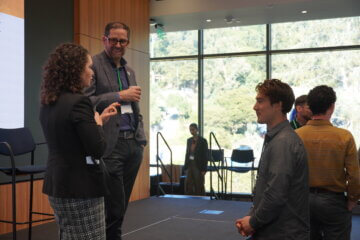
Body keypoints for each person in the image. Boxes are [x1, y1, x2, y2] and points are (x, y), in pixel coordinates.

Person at [39, 43, 119, 239]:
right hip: (81, 188)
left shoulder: (49, 100)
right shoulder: (79, 102)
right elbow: (98, 149)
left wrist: (97, 121)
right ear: (75, 69)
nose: (92, 73)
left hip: (58, 184)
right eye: (89, 66)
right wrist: (98, 124)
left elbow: (70, 138)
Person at [84, 22, 147, 240]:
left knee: (120, 207)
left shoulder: (129, 70)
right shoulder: (93, 65)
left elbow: (134, 107)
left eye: (122, 41)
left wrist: (141, 140)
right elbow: (86, 101)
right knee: (114, 206)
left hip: (133, 145)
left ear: (127, 42)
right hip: (110, 145)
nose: (118, 44)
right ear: (104, 40)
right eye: (113, 40)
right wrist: (119, 95)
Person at [236, 79, 309, 240]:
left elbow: (276, 194)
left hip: (283, 233)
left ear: (278, 105)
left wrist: (253, 222)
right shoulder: (276, 138)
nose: (255, 107)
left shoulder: (283, 142)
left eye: (260, 101)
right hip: (273, 229)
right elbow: (266, 188)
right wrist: (252, 218)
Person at [296, 85, 360, 240]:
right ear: (331, 107)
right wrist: (352, 199)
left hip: (302, 200)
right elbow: (354, 175)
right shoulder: (344, 137)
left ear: (310, 107)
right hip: (333, 201)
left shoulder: (296, 136)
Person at [183, 123, 209, 195]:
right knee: (189, 182)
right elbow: (187, 153)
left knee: (199, 182)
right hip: (189, 163)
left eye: (193, 130)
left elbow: (205, 155)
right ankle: (189, 198)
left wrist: (204, 169)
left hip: (198, 164)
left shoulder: (203, 141)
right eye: (190, 130)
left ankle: (201, 198)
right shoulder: (189, 140)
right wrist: (185, 167)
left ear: (197, 130)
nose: (191, 131)